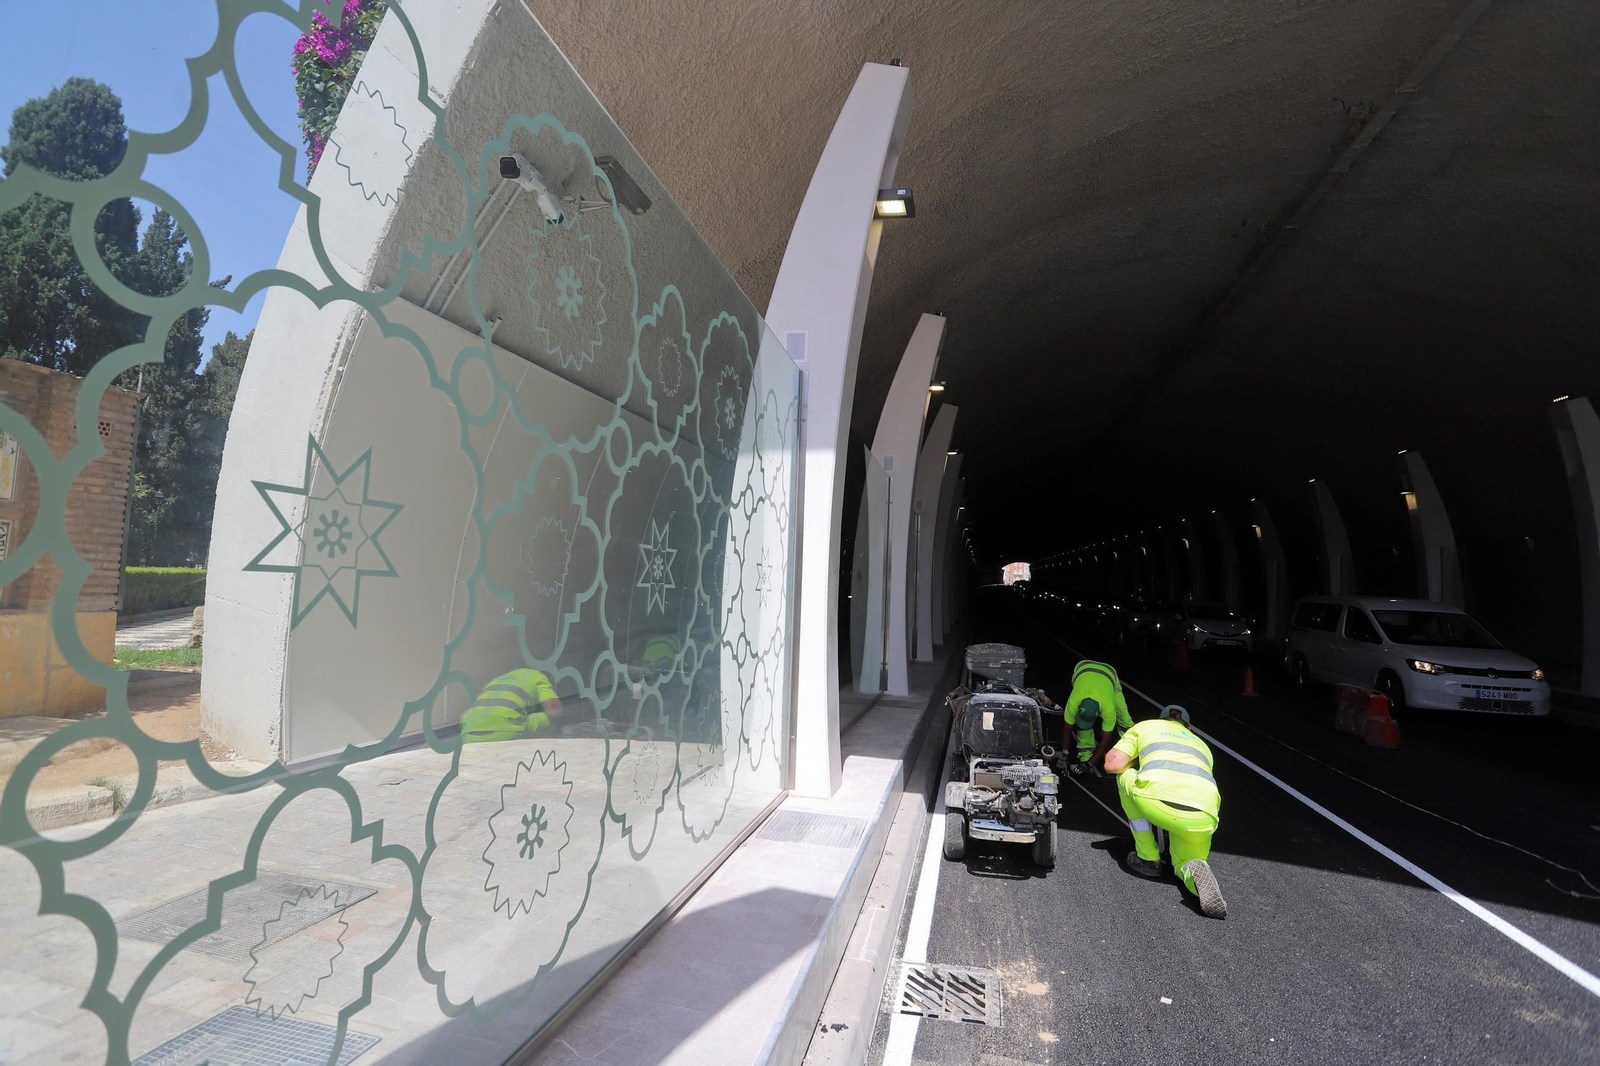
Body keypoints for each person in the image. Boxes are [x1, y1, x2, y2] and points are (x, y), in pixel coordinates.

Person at [1103, 705, 1226, 918]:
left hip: (1156, 800)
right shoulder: (1201, 745)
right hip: (1203, 813)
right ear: (1188, 727)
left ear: (1162, 719)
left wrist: (1137, 762)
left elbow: (1113, 765)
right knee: (1186, 859)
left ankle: (1147, 857)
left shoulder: (1146, 727)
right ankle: (1193, 869)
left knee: (1124, 777)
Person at [460, 667, 565, 743]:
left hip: (467, 732)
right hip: (506, 728)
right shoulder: (540, 677)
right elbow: (553, 707)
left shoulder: (498, 679)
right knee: (550, 719)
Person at [1063, 659, 1134, 770]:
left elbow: (1105, 741)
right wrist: (1064, 755)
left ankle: (1133, 749)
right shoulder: (1074, 701)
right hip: (1081, 668)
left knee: (1124, 719)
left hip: (1109, 674)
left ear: (1098, 714)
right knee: (1083, 726)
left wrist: (1089, 764)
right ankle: (1085, 755)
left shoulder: (1108, 708)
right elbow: (1067, 729)